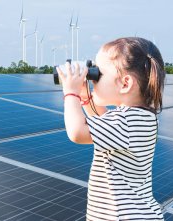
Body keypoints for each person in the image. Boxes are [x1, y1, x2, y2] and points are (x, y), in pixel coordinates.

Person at [56, 37, 165, 221]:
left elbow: (77, 132)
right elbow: (101, 120)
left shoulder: (125, 122)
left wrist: (71, 92)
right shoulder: (140, 117)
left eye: (98, 73)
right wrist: (85, 96)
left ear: (125, 84)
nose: (92, 78)